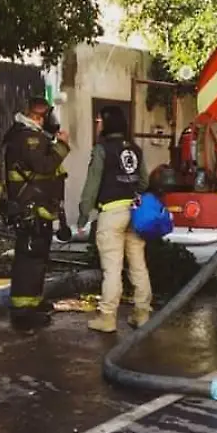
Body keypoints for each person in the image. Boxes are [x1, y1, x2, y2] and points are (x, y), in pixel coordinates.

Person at [77, 104, 151, 333]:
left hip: (111, 214)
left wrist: (83, 215)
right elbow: (144, 182)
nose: (97, 123)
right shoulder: (135, 149)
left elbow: (92, 185)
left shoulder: (102, 149)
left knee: (112, 269)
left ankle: (107, 317)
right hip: (135, 213)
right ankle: (142, 314)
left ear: (107, 122)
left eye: (99, 120)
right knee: (138, 266)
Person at [2, 96, 70, 332]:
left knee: (38, 257)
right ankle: (22, 313)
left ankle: (34, 302)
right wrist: (62, 146)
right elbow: (44, 166)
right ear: (38, 115)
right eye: (47, 114)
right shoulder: (28, 137)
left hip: (38, 207)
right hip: (30, 208)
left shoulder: (31, 135)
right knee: (29, 260)